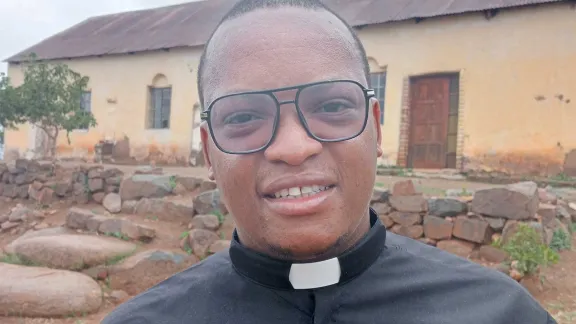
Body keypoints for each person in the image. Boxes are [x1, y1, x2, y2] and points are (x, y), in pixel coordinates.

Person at [102, 0, 557, 323]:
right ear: (208, 149)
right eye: (243, 116)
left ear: (376, 128)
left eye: (333, 107)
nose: (294, 147)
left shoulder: (500, 313)